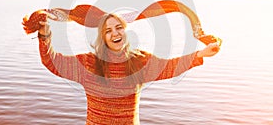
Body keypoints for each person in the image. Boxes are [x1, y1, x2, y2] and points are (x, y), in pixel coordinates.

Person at [37, 13, 220, 125]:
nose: (115, 33)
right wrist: (44, 35)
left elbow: (171, 66)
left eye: (118, 28)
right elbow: (53, 62)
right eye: (108, 30)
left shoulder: (139, 61)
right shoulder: (88, 63)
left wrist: (200, 54)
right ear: (102, 37)